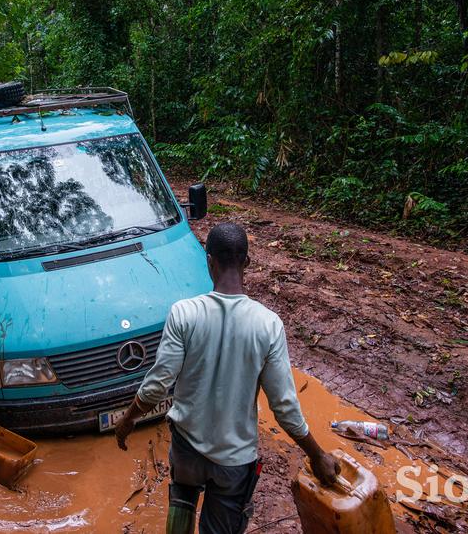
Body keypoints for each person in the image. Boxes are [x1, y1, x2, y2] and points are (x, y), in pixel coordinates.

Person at [115, 222, 339, 534]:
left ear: (209, 261)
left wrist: (127, 420)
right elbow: (284, 407)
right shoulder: (267, 325)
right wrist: (317, 455)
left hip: (187, 449)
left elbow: (157, 385)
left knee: (180, 504)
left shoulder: (184, 313)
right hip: (233, 462)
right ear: (247, 262)